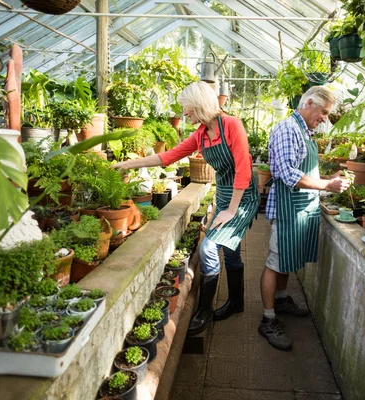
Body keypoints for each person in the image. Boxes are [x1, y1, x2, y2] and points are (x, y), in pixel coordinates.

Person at [113, 81, 259, 336]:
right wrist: (127, 165)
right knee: (230, 249)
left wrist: (232, 210)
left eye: (187, 109)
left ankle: (203, 311)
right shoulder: (201, 135)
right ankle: (237, 302)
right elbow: (167, 157)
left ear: (200, 105)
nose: (185, 114)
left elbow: (244, 169)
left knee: (209, 247)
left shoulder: (231, 125)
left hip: (242, 197)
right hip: (225, 193)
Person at [259, 86, 351, 351]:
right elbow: (287, 173)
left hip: (301, 208)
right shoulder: (288, 129)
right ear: (309, 103)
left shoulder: (305, 131)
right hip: (288, 208)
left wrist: (327, 181)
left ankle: (283, 299)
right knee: (276, 262)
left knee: (288, 258)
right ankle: (267, 319)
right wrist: (326, 185)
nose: (325, 118)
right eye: (323, 112)